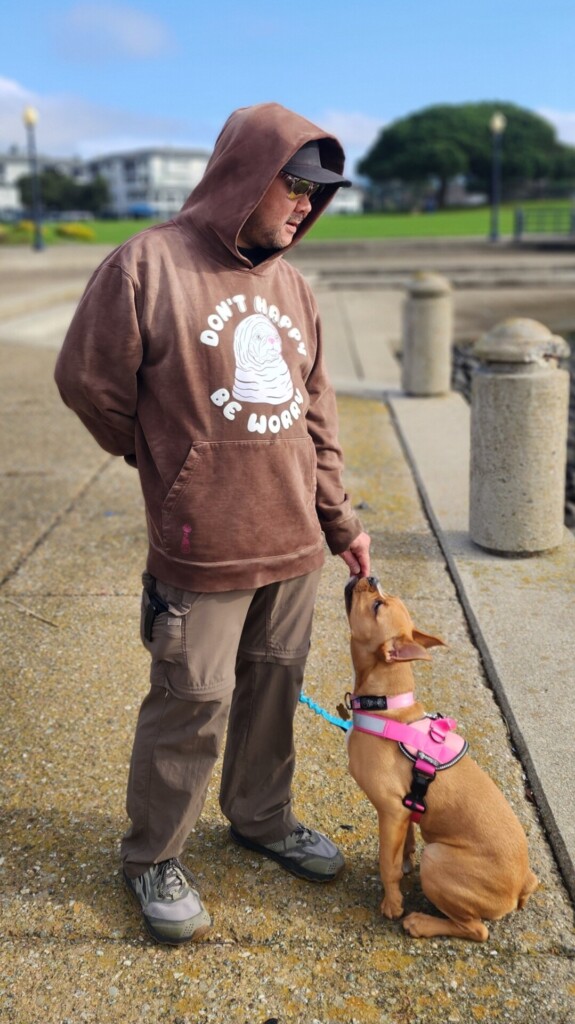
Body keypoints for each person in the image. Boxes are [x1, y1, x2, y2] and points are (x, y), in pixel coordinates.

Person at [54, 102, 371, 946]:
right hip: (201, 547)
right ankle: (151, 854)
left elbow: (317, 417)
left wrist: (340, 523)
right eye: (294, 185)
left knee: (271, 691)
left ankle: (261, 819)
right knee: (190, 701)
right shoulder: (146, 265)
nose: (306, 205)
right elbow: (88, 380)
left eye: (319, 193)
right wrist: (163, 458)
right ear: (244, 173)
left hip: (294, 544)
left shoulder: (295, 287)